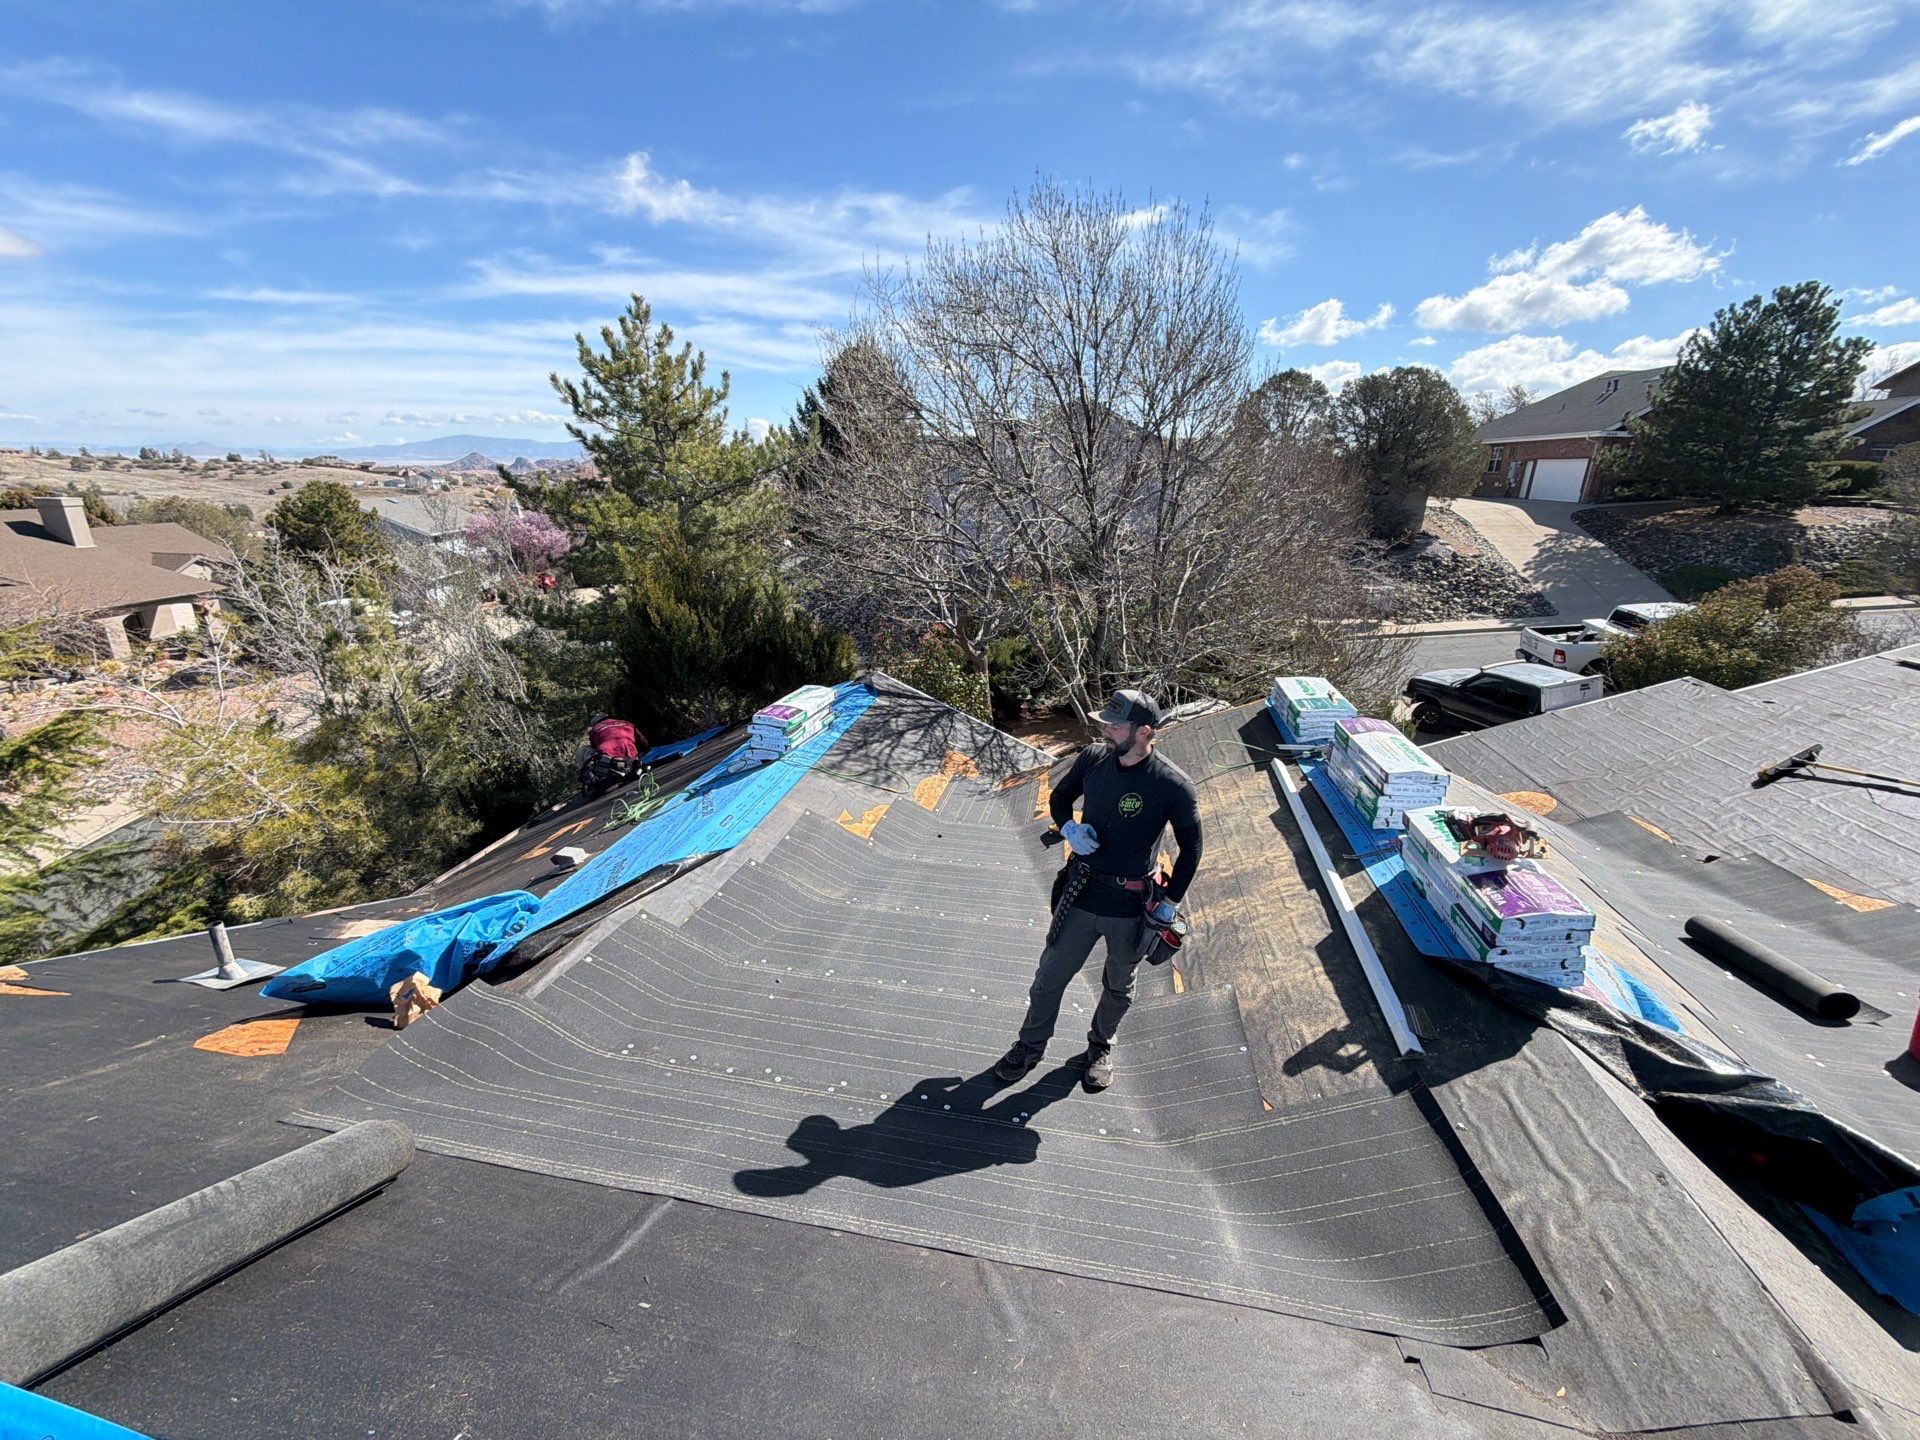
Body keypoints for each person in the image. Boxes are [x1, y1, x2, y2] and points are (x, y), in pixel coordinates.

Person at [994, 688, 1202, 1093]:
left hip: (1130, 906)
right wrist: (1069, 826)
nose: (1105, 730)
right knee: (1050, 976)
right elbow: (1060, 797)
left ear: (1144, 732)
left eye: (1115, 724)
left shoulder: (1172, 784)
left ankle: (1100, 1047)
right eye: (1104, 722)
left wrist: (1170, 904)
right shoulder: (1093, 758)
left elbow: (1192, 846)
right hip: (1083, 892)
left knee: (1118, 986)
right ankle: (1030, 1045)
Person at [579, 713, 647, 794]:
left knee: (583, 750)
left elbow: (595, 747)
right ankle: (626, 768)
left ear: (595, 723)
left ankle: (597, 777)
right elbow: (644, 743)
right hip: (630, 761)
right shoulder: (626, 723)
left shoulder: (594, 730)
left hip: (609, 762)